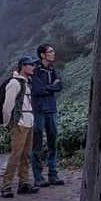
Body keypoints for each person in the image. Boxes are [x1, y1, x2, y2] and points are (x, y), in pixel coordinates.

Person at [0, 56, 38, 198]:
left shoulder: (26, 82)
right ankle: (6, 186)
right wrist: (7, 123)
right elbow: (7, 106)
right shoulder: (14, 83)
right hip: (20, 124)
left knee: (26, 155)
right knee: (16, 155)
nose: (33, 67)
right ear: (23, 66)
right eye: (30, 65)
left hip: (29, 122)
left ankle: (24, 183)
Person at [31, 41, 66, 187]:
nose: (53, 53)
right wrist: (51, 87)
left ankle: (53, 174)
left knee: (53, 143)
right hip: (38, 110)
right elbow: (37, 89)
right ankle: (38, 177)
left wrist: (47, 87)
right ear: (42, 55)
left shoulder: (52, 69)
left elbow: (60, 86)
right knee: (37, 144)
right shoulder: (35, 69)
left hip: (51, 109)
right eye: (50, 51)